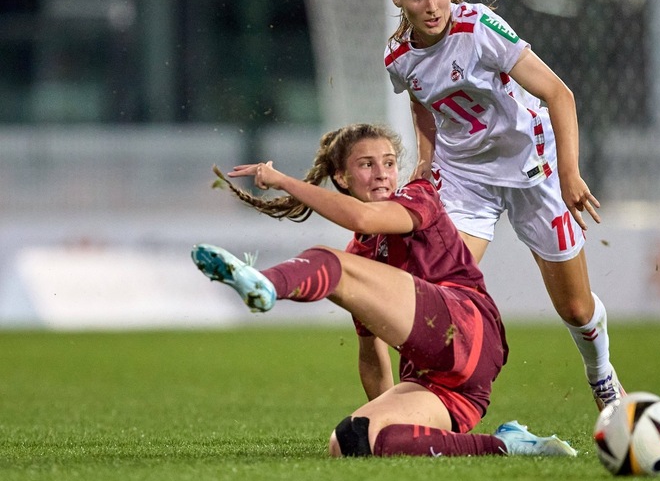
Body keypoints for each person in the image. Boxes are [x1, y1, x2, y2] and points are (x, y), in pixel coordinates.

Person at [191, 123, 576, 458]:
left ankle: (265, 283)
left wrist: (283, 181)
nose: (382, 173)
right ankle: (507, 445)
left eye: (389, 163)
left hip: (468, 329)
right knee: (351, 441)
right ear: (341, 178)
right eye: (367, 164)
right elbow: (372, 353)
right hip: (449, 385)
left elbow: (361, 216)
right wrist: (383, 413)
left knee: (329, 262)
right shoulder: (360, 254)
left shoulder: (419, 195)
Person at [383, 0, 625, 410]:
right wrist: (426, 164)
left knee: (576, 308)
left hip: (532, 169)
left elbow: (560, 94)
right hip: (466, 180)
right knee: (438, 289)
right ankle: (428, 393)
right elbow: (423, 106)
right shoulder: (398, 59)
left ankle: (601, 375)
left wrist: (570, 173)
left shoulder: (479, 29)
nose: (433, 5)